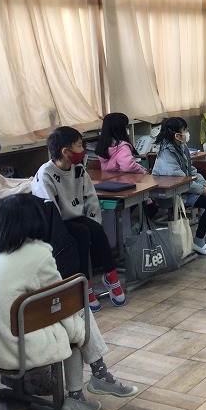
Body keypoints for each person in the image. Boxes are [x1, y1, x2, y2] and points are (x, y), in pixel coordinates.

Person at [0, 194, 138, 410]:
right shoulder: (37, 253)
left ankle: (93, 381)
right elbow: (63, 301)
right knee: (78, 311)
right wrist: (80, 333)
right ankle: (91, 381)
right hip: (20, 349)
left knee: (74, 313)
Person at [32, 126, 125, 310]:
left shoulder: (79, 170)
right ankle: (84, 284)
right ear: (65, 152)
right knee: (82, 233)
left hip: (76, 217)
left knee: (96, 229)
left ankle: (110, 275)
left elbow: (91, 198)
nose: (83, 150)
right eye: (79, 145)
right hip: (56, 224)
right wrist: (63, 237)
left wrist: (93, 223)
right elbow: (50, 211)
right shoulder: (46, 174)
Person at [152, 117, 206, 256]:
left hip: (185, 189)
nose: (187, 133)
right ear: (177, 135)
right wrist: (201, 190)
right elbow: (180, 179)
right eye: (185, 130)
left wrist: (203, 184)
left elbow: (191, 170)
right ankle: (198, 241)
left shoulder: (181, 147)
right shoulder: (166, 154)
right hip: (174, 194)